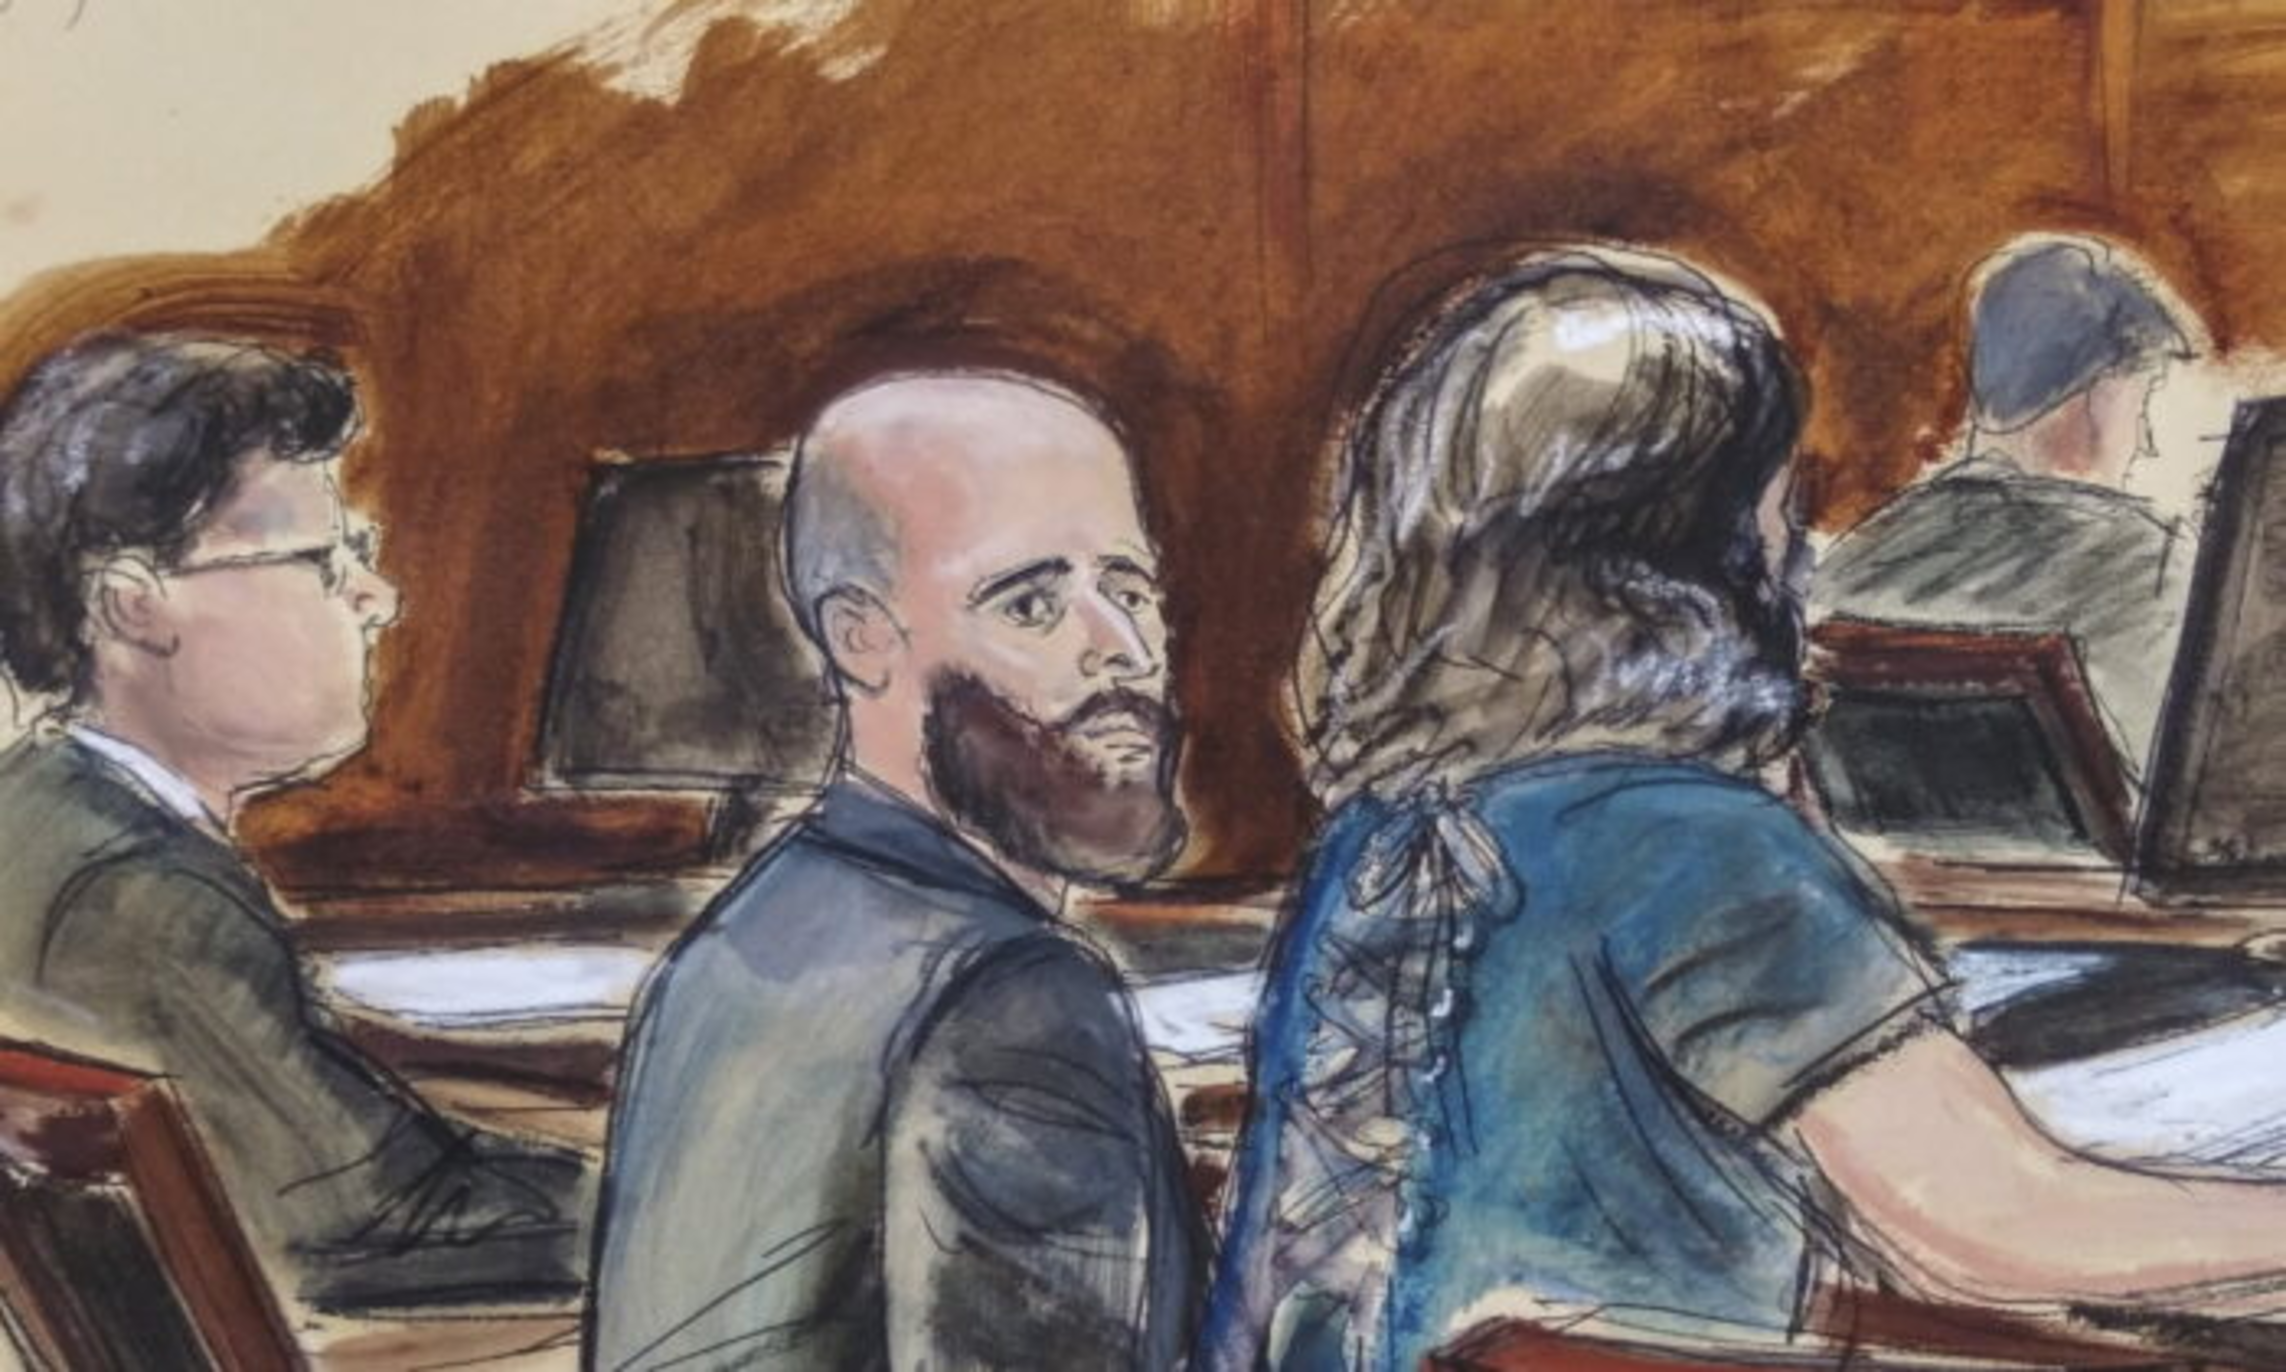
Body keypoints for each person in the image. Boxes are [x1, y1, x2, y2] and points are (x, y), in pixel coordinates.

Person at [1199, 248, 2286, 1371]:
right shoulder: (1699, 852)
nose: (1797, 539)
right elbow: (2004, 1227)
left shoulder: (1378, 839)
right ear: (1695, 545)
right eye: (1777, 496)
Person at [590, 372, 1204, 1371]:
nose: (1124, 650)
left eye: (1130, 590)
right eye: (1034, 603)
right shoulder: (1015, 996)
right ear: (861, 639)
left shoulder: (742, 936)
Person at [0, 332, 591, 1314]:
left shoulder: (37, 816)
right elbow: (366, 1224)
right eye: (323, 560)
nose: (377, 598)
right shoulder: (139, 902)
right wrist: (709, 1206)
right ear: (134, 606)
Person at [1813, 235, 2200, 777]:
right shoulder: (2148, 562)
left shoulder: (1852, 563)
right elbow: (2199, 783)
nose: (2148, 441)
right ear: (2094, 401)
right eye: (2141, 404)